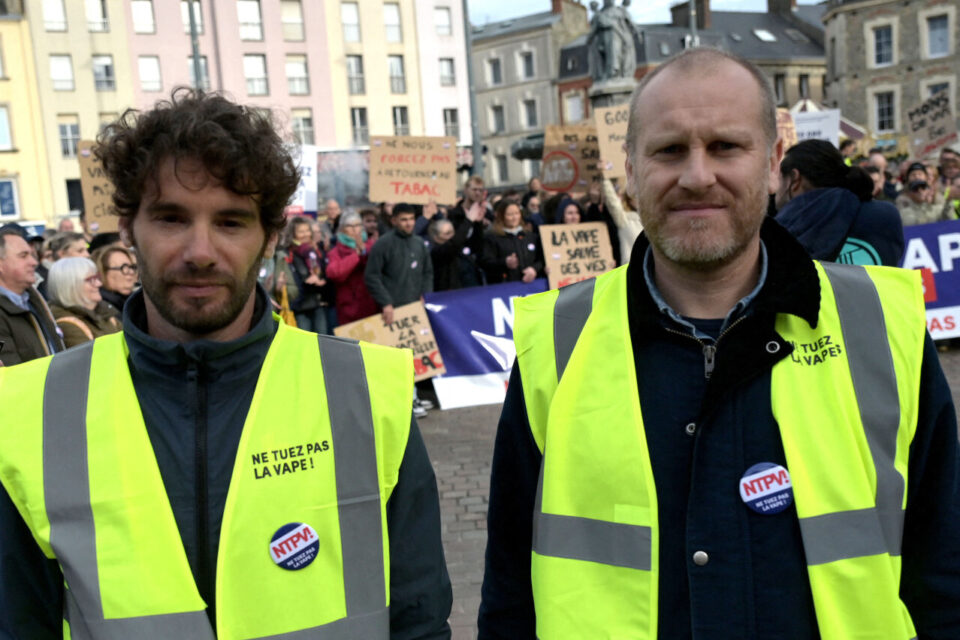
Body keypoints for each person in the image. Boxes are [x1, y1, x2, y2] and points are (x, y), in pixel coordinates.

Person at [478, 48, 960, 639]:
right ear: (629, 169)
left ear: (774, 164)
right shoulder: (555, 343)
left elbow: (944, 575)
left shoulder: (884, 327)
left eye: (726, 147)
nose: (697, 175)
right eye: (669, 150)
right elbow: (509, 595)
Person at [0, 89, 452, 638]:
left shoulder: (367, 391)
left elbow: (419, 618)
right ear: (127, 229)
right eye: (171, 218)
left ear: (269, 238)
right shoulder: (31, 414)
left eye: (232, 222)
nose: (200, 250)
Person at [774, 139, 904, 266]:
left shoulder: (777, 234)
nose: (775, 188)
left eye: (779, 178)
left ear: (795, 180)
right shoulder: (886, 216)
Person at [0, 226, 64, 365]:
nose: (34, 262)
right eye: (23, 256)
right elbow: (11, 374)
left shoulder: (34, 299)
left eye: (32, 254)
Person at [364, 203, 433, 326]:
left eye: (412, 219)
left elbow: (427, 272)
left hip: (417, 306)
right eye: (404, 220)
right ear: (394, 220)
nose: (409, 223)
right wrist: (385, 303)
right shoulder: (382, 244)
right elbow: (371, 276)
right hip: (392, 310)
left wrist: (426, 295)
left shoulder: (419, 243)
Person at [46, 256, 120, 347]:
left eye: (97, 277)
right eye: (91, 280)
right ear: (71, 287)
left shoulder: (105, 314)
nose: (99, 284)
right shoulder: (67, 325)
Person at [326, 211, 378, 324]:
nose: (355, 229)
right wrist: (356, 255)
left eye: (358, 225)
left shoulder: (372, 245)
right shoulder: (336, 251)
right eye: (350, 226)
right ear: (342, 229)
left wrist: (364, 252)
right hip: (349, 308)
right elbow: (334, 273)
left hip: (372, 305)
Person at [285, 215, 331, 333]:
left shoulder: (315, 250)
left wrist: (320, 279)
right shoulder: (288, 253)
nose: (305, 234)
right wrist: (309, 280)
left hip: (317, 303)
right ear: (293, 234)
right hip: (300, 306)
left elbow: (324, 272)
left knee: (322, 341)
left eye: (307, 230)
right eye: (301, 231)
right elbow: (296, 279)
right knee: (305, 344)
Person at [480, 200, 544, 284]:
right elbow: (485, 262)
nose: (514, 218)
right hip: (506, 286)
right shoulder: (492, 238)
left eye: (517, 213)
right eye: (510, 214)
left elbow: (542, 258)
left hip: (532, 284)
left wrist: (534, 269)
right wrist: (504, 262)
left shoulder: (531, 236)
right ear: (501, 216)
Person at [92, 244, 139, 313]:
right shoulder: (100, 309)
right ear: (101, 272)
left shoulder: (135, 303)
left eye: (132, 267)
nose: (131, 272)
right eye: (124, 267)